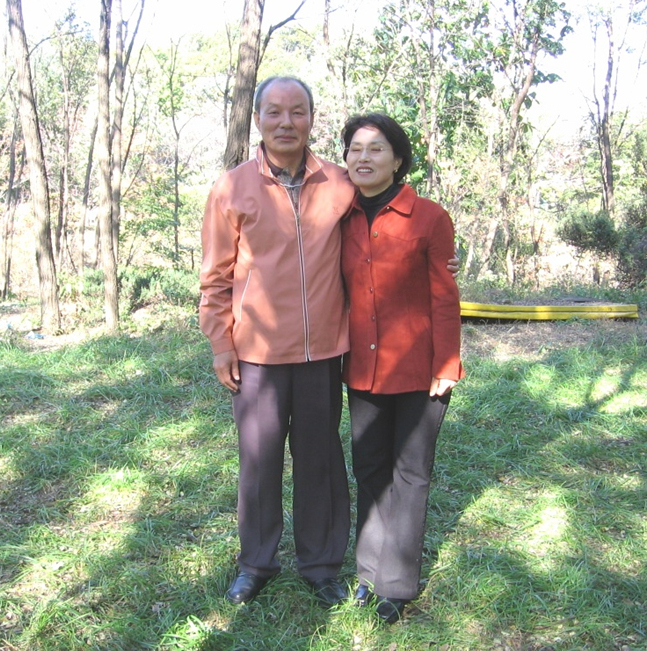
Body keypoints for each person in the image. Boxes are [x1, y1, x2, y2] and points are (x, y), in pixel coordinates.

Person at [199, 76, 354, 607]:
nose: (286, 122)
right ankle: (256, 564)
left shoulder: (340, 184)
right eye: (275, 112)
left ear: (312, 118)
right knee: (259, 462)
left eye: (297, 111)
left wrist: (436, 256)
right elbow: (215, 278)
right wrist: (221, 343)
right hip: (256, 356)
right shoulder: (232, 188)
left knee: (319, 460)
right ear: (258, 119)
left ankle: (321, 564)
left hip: (322, 352)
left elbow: (380, 234)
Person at [339, 113, 464, 623]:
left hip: (418, 367)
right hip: (361, 366)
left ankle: (397, 584)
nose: (363, 157)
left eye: (376, 148)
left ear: (397, 159)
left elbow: (444, 296)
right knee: (369, 468)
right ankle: (368, 573)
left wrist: (447, 363)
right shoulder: (338, 215)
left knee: (410, 474)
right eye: (355, 149)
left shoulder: (429, 218)